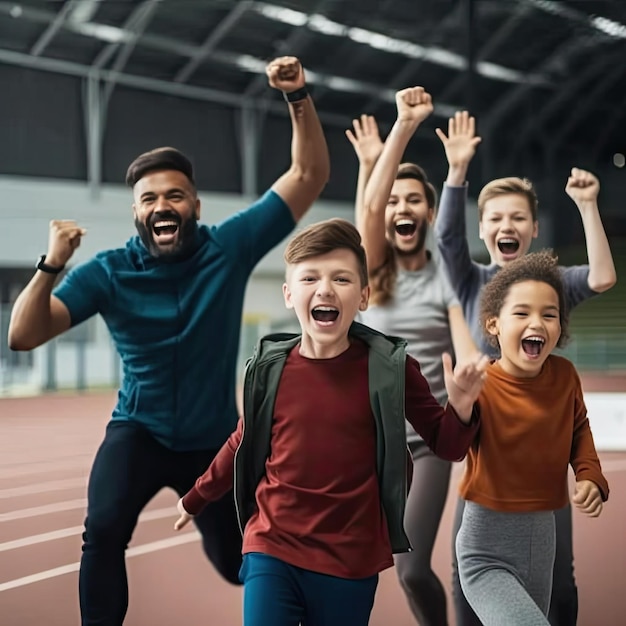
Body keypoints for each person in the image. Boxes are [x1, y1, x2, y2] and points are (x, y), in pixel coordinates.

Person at [7, 56, 329, 626]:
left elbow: (308, 177)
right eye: (150, 198)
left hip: (212, 439)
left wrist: (297, 96)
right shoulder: (108, 272)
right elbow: (24, 334)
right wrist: (50, 265)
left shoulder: (226, 249)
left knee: (240, 561)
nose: (163, 206)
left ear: (195, 207)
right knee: (102, 531)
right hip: (139, 431)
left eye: (175, 196)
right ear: (136, 211)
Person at [174, 218, 489, 626]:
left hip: (350, 561)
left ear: (364, 295)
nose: (324, 289)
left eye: (341, 278)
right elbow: (241, 441)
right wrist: (196, 496)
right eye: (310, 278)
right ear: (289, 295)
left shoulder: (392, 370)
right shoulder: (268, 369)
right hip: (272, 545)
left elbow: (447, 446)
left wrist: (461, 405)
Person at [434, 110, 617, 626]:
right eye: (494, 217)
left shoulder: (552, 285)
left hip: (542, 458)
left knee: (559, 578)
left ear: (534, 228)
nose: (505, 225)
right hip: (486, 456)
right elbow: (447, 239)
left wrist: (586, 205)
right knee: (465, 569)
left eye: (517, 217)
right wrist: (457, 172)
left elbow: (603, 276)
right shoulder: (471, 282)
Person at [346, 87, 477, 626]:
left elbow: (461, 332)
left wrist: (470, 366)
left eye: (414, 200)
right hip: (364, 441)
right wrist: (402, 127)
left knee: (412, 569)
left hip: (425, 443)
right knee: (347, 566)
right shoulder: (371, 274)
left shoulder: (447, 271)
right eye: (396, 200)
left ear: (428, 211)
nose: (402, 208)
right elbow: (370, 208)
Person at [456, 250, 609, 626]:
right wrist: (459, 404)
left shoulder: (565, 375)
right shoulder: (482, 384)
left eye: (550, 314)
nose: (536, 322)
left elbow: (578, 428)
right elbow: (454, 445)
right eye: (522, 313)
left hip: (542, 541)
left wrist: (590, 474)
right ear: (493, 324)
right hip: (485, 547)